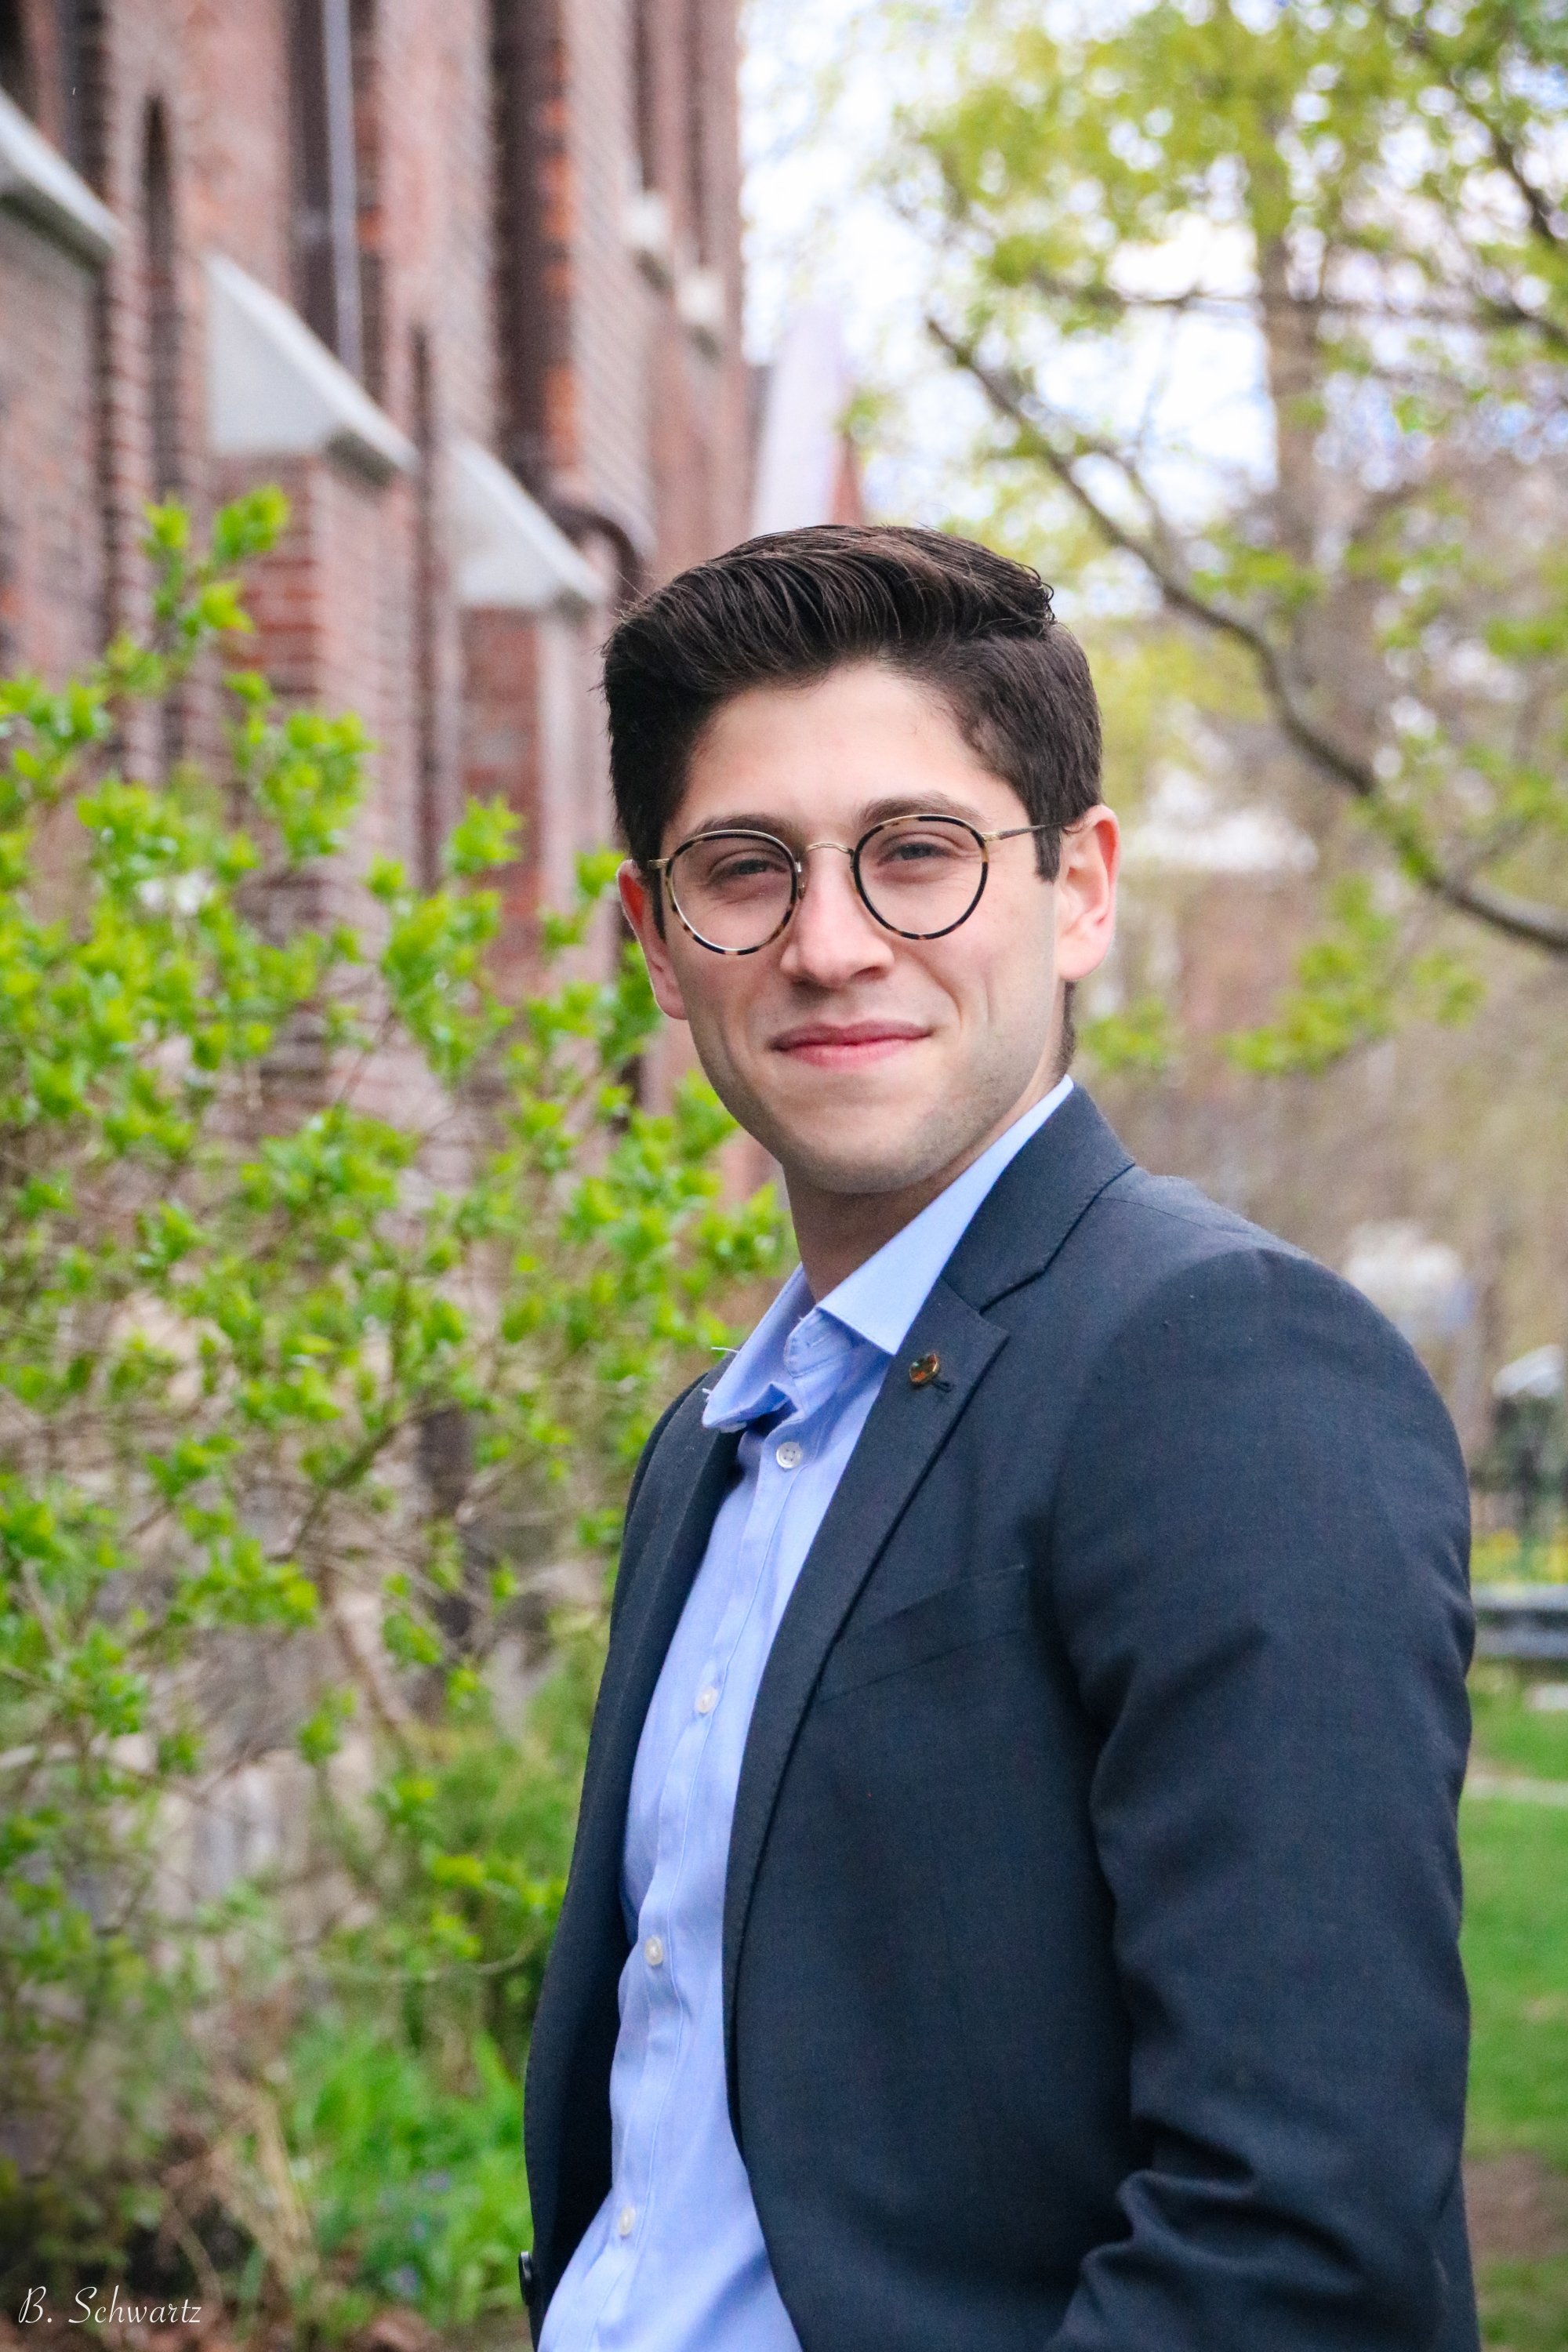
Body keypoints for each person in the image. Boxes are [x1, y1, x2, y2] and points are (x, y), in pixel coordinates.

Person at [520, 524, 1477, 2352]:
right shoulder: (719, 1446)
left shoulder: (1221, 1368)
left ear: (1083, 889)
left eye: (917, 856)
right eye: (745, 870)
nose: (827, 943)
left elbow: (1292, 2239)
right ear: (654, 941)